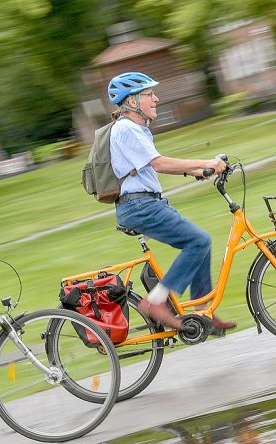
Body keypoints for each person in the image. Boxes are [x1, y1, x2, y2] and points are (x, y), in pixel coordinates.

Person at [106, 72, 235, 331]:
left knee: (200, 242)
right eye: (149, 94)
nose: (156, 98)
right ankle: (156, 301)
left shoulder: (135, 129)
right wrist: (206, 162)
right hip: (140, 207)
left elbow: (146, 168)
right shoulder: (127, 129)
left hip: (146, 204)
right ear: (132, 102)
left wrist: (195, 171)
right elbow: (159, 163)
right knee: (199, 241)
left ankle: (203, 312)